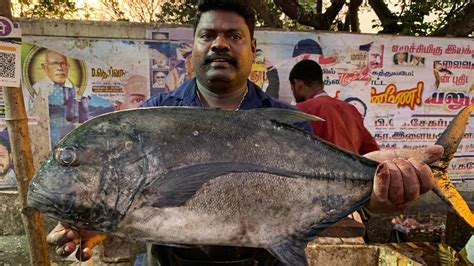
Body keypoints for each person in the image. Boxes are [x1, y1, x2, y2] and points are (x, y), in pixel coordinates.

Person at [47, 0, 443, 265]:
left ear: (253, 48)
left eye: (233, 36)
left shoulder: (281, 118)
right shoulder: (154, 118)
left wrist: (373, 187)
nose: (220, 44)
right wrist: (96, 216)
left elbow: (327, 188)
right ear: (194, 47)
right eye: (208, 35)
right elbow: (136, 198)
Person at [290, 59, 379, 155]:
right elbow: (372, 152)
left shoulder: (300, 111)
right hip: (351, 169)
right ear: (322, 84)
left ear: (298, 85)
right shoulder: (351, 110)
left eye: (292, 89)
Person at [30, 49, 90, 145]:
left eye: (63, 63)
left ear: (68, 66)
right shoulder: (37, 89)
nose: (60, 68)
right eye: (54, 63)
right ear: (45, 67)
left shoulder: (77, 91)